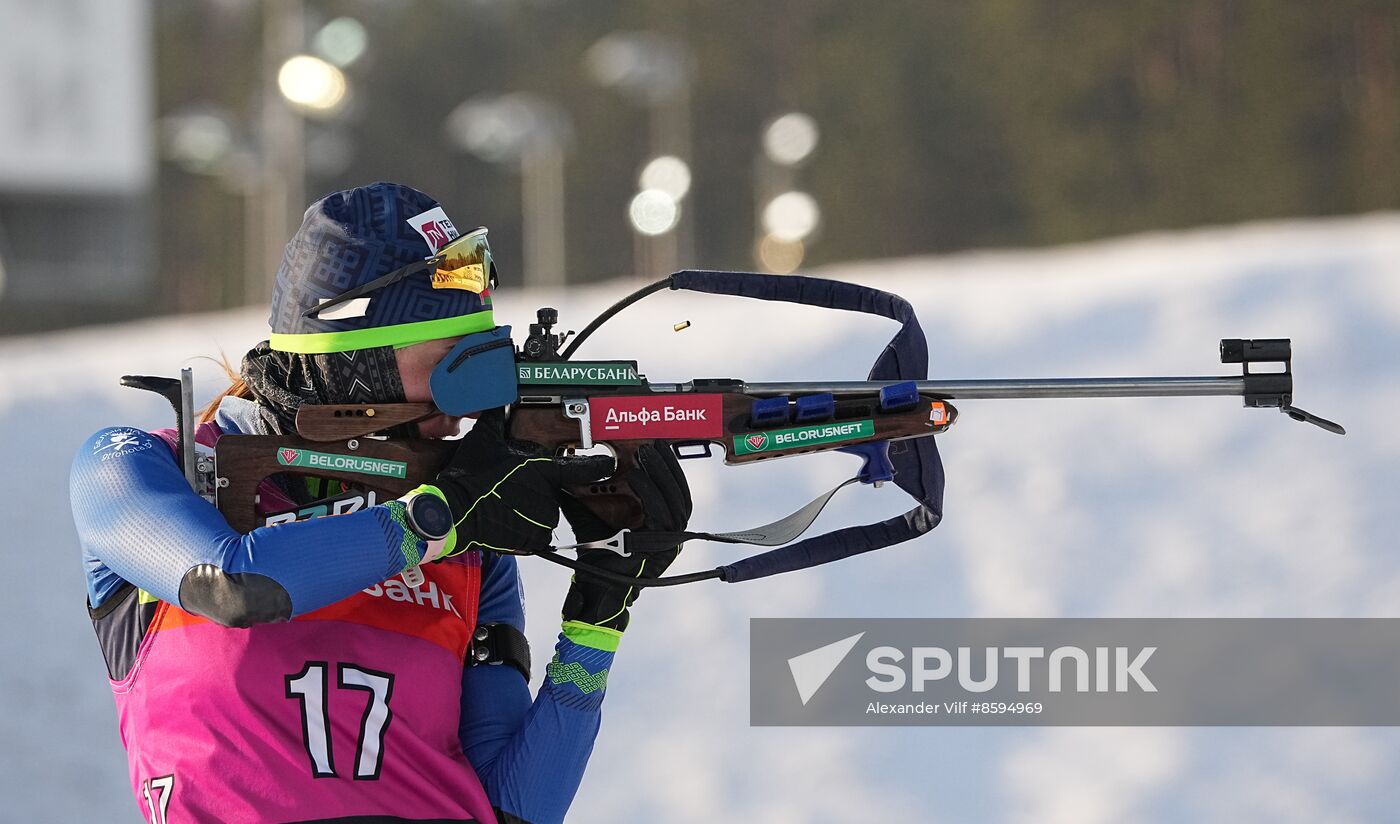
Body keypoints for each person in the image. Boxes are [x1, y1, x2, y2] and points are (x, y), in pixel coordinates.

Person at [69, 182, 689, 824]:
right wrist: (441, 514)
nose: (473, 404)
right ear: (357, 360)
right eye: (453, 361)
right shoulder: (141, 466)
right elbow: (233, 584)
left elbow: (511, 812)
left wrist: (602, 612)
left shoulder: (468, 548)